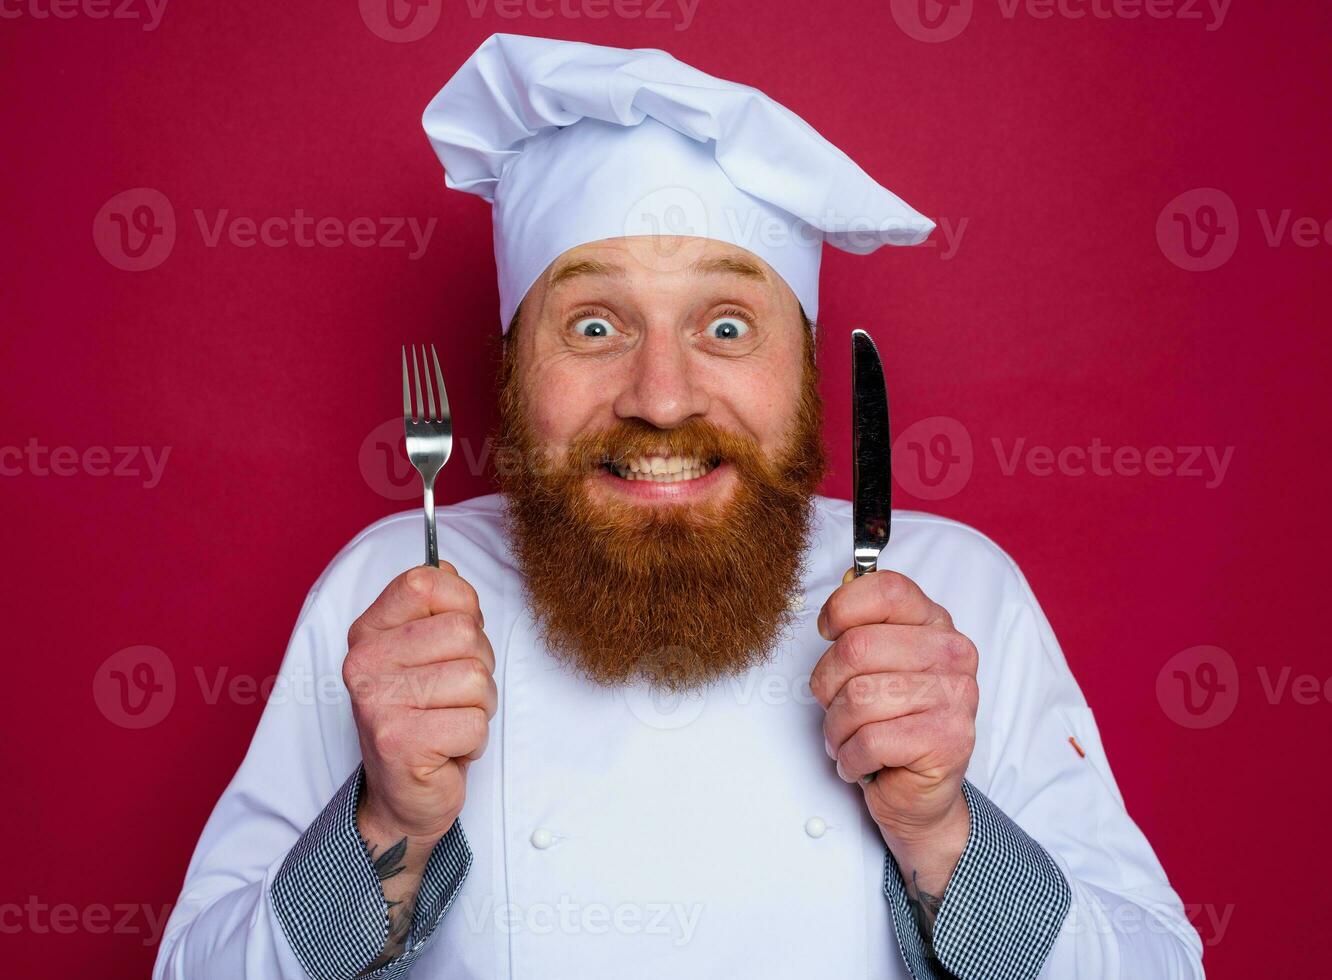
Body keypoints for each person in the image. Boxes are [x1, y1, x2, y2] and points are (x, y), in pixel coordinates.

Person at [153, 34, 1204, 980]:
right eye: (597, 326)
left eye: (730, 327)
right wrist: (384, 820)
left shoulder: (954, 593)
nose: (662, 398)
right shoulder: (397, 587)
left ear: (806, 372)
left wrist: (944, 831)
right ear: (515, 368)